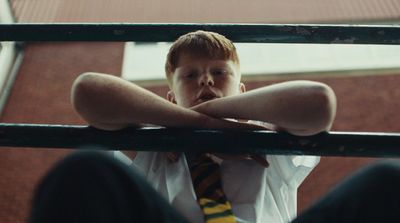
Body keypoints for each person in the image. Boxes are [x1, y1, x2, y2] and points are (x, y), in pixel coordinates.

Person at [30, 30, 339, 223]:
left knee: (385, 177)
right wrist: (199, 124)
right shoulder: (155, 143)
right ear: (171, 99)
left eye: (219, 72)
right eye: (189, 76)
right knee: (84, 165)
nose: (205, 79)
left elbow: (317, 102)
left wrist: (220, 118)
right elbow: (88, 90)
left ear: (242, 93)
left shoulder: (262, 137)